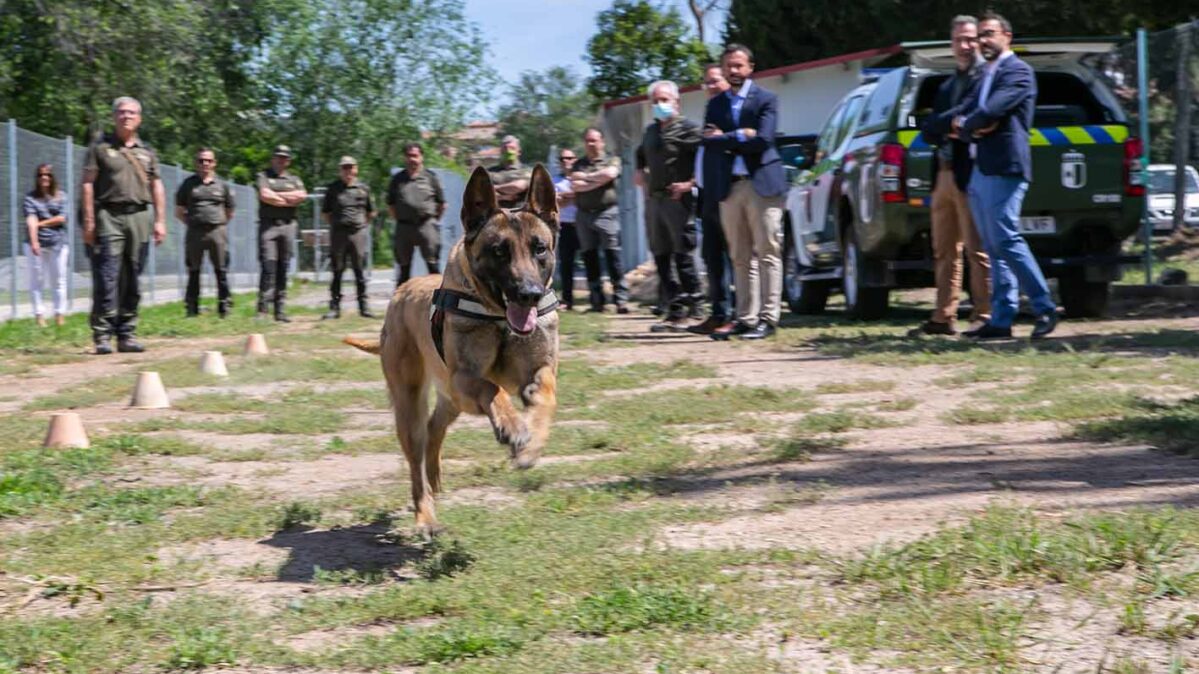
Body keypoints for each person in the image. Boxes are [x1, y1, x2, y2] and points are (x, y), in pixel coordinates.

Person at [948, 12, 1057, 340]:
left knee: (1007, 239)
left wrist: (967, 125)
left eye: (990, 33)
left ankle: (1045, 307)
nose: (983, 40)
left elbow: (991, 112)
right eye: (981, 35)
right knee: (994, 247)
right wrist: (965, 125)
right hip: (981, 167)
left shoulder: (1018, 72)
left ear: (1007, 36)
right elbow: (966, 113)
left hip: (1006, 167)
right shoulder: (985, 75)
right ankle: (1001, 318)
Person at [910, 15, 992, 337]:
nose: (965, 45)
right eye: (959, 39)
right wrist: (951, 123)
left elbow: (972, 120)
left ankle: (984, 315)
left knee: (977, 249)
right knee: (944, 251)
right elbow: (929, 130)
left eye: (970, 39)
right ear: (951, 43)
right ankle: (944, 317)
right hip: (942, 174)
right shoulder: (945, 86)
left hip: (970, 173)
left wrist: (947, 123)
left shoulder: (986, 78)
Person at [704, 44, 787, 341]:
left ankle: (768, 317)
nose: (733, 71)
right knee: (740, 256)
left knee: (767, 251)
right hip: (731, 186)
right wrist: (741, 135)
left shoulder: (766, 99)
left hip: (762, 184)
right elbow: (708, 142)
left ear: (750, 67)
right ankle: (746, 317)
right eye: (728, 66)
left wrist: (725, 139)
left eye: (739, 65)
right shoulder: (715, 105)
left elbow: (763, 139)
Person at [82, 96, 167, 354]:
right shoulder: (100, 148)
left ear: (139, 118)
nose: (126, 116)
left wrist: (161, 221)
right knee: (108, 273)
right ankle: (102, 334)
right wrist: (89, 220)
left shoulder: (147, 151)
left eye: (131, 113)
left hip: (140, 216)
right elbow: (87, 183)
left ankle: (126, 333)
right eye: (121, 112)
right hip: (109, 214)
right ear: (113, 117)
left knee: (132, 273)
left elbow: (156, 186)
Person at [635, 81, 701, 331]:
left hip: (678, 200)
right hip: (655, 201)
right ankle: (674, 309)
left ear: (676, 102)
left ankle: (695, 307)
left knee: (682, 254)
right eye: (655, 101)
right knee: (661, 256)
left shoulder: (689, 129)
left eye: (664, 100)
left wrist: (689, 184)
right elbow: (640, 153)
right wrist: (640, 171)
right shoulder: (651, 131)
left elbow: (705, 158)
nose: (659, 105)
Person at [687, 64, 735, 336]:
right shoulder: (710, 115)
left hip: (726, 194)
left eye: (716, 81)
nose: (711, 86)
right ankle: (718, 313)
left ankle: (736, 313)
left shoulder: (732, 115)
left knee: (733, 257)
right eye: (707, 83)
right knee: (712, 258)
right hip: (707, 198)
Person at [574, 127, 629, 314]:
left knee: (613, 256)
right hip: (583, 215)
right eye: (588, 140)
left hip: (607, 213)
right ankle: (597, 300)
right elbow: (575, 184)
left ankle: (620, 299)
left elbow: (611, 174)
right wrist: (598, 180)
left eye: (594, 140)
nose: (591, 144)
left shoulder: (611, 159)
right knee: (590, 258)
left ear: (602, 141)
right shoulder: (578, 164)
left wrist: (587, 179)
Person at [175, 148, 235, 318]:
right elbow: (179, 211)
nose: (205, 164)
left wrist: (218, 224)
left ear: (214, 163)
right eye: (201, 160)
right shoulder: (188, 184)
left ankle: (224, 306)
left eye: (208, 160)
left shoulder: (222, 185)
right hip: (195, 233)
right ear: (196, 163)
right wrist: (193, 223)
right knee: (194, 270)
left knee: (221, 270)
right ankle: (192, 307)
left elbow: (230, 210)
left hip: (217, 231)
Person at [255, 145, 307, 322]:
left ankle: (280, 310)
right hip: (269, 227)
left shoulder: (294, 179)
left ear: (288, 161)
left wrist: (278, 198)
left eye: (284, 157)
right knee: (268, 267)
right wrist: (287, 200)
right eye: (278, 157)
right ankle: (262, 310)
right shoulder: (263, 176)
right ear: (273, 158)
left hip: (288, 226)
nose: (281, 160)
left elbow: (302, 196)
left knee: (283, 268)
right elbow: (265, 194)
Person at [321, 156, 377, 319]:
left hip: (357, 233)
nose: (348, 171)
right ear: (340, 170)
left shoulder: (363, 188)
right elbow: (326, 213)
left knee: (359, 271)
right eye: (344, 168)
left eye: (350, 167)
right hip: (339, 234)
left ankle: (363, 307)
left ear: (356, 169)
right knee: (337, 270)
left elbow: (371, 212)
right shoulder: (333, 189)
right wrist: (338, 224)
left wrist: (360, 224)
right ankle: (334, 307)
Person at [386, 142, 445, 287]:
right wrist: (401, 218)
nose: (412, 159)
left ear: (421, 157)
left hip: (426, 226)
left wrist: (432, 220)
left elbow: (442, 204)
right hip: (404, 228)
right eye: (409, 156)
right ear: (405, 158)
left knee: (433, 268)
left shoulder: (431, 178)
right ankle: (400, 305)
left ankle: (438, 305)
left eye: (415, 155)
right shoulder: (397, 179)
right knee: (404, 270)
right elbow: (391, 205)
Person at [23, 164, 69, 328]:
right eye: (41, 175)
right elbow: (30, 220)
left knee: (58, 280)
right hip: (36, 244)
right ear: (37, 178)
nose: (44, 177)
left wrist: (40, 224)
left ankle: (59, 314)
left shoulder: (61, 196)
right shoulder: (30, 198)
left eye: (48, 175)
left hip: (58, 243)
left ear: (52, 177)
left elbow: (62, 218)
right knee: (37, 280)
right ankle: (39, 316)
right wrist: (34, 242)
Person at [553, 148, 580, 310]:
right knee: (566, 264)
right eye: (562, 159)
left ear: (575, 159)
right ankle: (567, 299)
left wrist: (566, 196)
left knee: (593, 261)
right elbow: (557, 202)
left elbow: (584, 195)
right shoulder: (555, 180)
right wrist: (575, 194)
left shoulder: (581, 176)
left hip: (583, 224)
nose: (566, 161)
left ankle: (598, 299)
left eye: (569, 158)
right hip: (564, 226)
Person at [488, 135, 531, 208]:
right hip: (495, 214)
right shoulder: (489, 172)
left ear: (519, 151)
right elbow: (482, 193)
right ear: (501, 152)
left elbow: (518, 186)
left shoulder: (527, 171)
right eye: (505, 148)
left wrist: (494, 188)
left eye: (512, 148)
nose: (508, 151)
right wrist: (505, 197)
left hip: (520, 213)